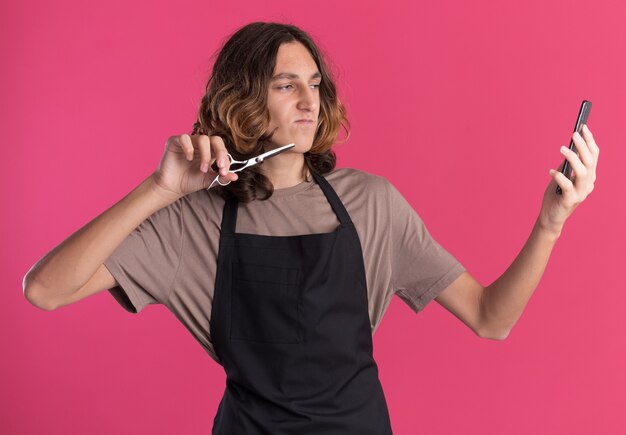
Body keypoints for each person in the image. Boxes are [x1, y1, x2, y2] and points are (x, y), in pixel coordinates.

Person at [22, 22, 600, 434]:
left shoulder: (373, 206)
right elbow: (45, 290)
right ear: (244, 99)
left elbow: (491, 319)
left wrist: (550, 224)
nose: (309, 100)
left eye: (315, 83)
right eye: (285, 84)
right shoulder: (191, 222)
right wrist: (159, 190)